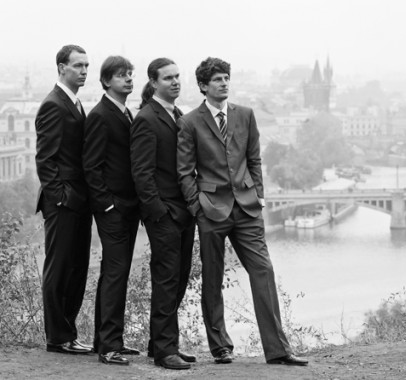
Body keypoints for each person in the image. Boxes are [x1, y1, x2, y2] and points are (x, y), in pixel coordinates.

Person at [177, 57, 308, 366]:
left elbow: (254, 159)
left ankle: (278, 350)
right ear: (203, 86)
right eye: (217, 79)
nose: (224, 83)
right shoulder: (190, 122)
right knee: (213, 278)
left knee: (263, 270)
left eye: (226, 78)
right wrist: (198, 208)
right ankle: (221, 347)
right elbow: (184, 172)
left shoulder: (246, 115)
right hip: (211, 210)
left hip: (247, 209)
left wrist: (259, 196)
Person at [130, 58, 196, 370]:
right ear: (154, 83)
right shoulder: (147, 118)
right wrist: (159, 213)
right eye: (168, 78)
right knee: (167, 281)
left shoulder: (177, 114)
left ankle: (162, 345)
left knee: (179, 279)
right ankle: (165, 351)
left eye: (177, 76)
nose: (175, 82)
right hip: (166, 215)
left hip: (184, 212)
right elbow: (141, 173)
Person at [35, 44, 93, 355]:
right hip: (63, 202)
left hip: (77, 200)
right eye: (78, 65)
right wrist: (60, 198)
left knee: (75, 268)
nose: (84, 71)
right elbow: (45, 160)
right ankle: (58, 337)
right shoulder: (53, 105)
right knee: (59, 269)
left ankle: (68, 334)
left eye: (86, 65)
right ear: (61, 68)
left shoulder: (73, 102)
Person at [83, 56, 140, 365]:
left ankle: (104, 340)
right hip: (113, 209)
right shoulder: (101, 115)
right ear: (106, 81)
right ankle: (109, 347)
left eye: (130, 74)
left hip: (125, 207)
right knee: (116, 274)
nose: (128, 79)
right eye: (121, 75)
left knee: (112, 273)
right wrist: (107, 205)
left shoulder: (125, 113)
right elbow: (91, 167)